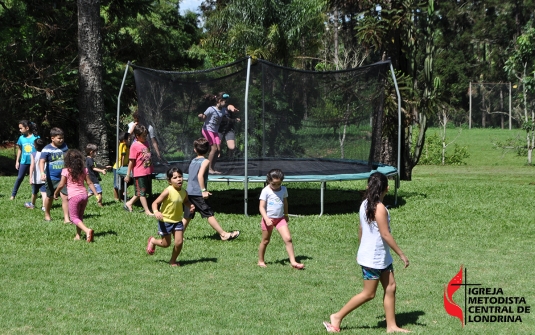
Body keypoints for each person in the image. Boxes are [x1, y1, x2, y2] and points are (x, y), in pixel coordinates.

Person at [323, 172, 410, 333]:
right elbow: (385, 234)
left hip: (380, 256)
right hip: (373, 258)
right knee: (369, 294)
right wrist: (401, 254)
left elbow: (361, 229)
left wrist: (360, 249)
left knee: (390, 287)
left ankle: (391, 326)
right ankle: (337, 316)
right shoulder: (380, 208)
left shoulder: (365, 204)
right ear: (387, 188)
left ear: (368, 187)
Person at [186, 137, 240, 241]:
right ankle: (223, 234)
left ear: (195, 150)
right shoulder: (205, 161)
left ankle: (178, 235)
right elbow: (200, 176)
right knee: (208, 213)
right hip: (197, 193)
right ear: (209, 150)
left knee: (188, 215)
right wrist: (203, 191)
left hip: (189, 191)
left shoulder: (193, 161)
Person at [146, 167, 195, 266]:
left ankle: (173, 260)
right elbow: (155, 203)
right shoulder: (168, 191)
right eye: (175, 177)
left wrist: (190, 205)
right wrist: (156, 212)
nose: (179, 179)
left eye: (180, 176)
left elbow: (185, 201)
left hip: (177, 221)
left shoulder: (184, 192)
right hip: (165, 221)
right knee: (166, 244)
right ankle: (153, 241)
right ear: (169, 181)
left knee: (179, 242)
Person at [257, 169, 304, 270]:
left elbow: (285, 202)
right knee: (265, 241)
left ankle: (293, 261)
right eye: (274, 184)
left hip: (280, 219)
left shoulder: (283, 189)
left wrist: (286, 214)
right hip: (268, 220)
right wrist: (266, 219)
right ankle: (260, 261)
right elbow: (261, 207)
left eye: (279, 184)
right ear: (269, 181)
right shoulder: (265, 191)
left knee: (288, 239)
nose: (277, 186)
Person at [54, 149, 99, 242]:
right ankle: (78, 236)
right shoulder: (84, 170)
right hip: (84, 196)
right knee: (79, 216)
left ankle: (87, 231)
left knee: (73, 218)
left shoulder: (66, 171)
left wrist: (55, 193)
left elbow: (61, 184)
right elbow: (90, 183)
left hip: (74, 197)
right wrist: (96, 194)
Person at [197, 92, 238, 174]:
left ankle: (212, 168)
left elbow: (223, 119)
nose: (226, 103)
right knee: (214, 148)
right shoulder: (211, 109)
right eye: (225, 102)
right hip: (207, 130)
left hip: (215, 131)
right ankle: (208, 169)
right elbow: (204, 118)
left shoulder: (223, 110)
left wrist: (234, 120)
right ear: (220, 101)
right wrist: (200, 116)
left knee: (218, 150)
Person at [39, 127, 69, 223]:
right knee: (50, 197)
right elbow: (41, 161)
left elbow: (67, 158)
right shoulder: (47, 149)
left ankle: (66, 218)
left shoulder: (64, 146)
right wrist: (42, 173)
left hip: (63, 177)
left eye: (62, 138)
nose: (61, 140)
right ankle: (47, 214)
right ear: (52, 138)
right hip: (51, 177)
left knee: (65, 197)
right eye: (59, 138)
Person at [124, 124, 154, 216]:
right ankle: (147, 211)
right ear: (137, 136)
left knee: (141, 191)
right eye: (143, 136)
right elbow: (131, 162)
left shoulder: (146, 143)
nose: (145, 137)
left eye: (146, 135)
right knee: (142, 193)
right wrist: (128, 174)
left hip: (147, 171)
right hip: (139, 173)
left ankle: (129, 203)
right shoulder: (134, 146)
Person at [11, 120, 39, 200]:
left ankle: (34, 194)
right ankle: (13, 195)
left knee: (34, 179)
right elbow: (20, 150)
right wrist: (17, 161)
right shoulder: (21, 138)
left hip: (34, 162)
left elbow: (39, 149)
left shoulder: (36, 137)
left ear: (27, 128)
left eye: (21, 128)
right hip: (24, 162)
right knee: (19, 178)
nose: (19, 130)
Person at [26, 138, 47, 210]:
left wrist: (30, 177)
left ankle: (32, 204)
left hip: (35, 178)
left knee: (34, 192)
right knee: (44, 193)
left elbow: (32, 166)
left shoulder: (33, 154)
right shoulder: (46, 154)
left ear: (35, 146)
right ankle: (44, 206)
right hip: (44, 177)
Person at [113, 131, 130, 201]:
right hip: (118, 167)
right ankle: (116, 198)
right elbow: (123, 156)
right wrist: (122, 166)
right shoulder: (123, 145)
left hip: (123, 167)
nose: (130, 140)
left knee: (122, 183)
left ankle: (122, 196)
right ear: (124, 140)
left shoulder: (126, 146)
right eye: (129, 139)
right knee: (116, 184)